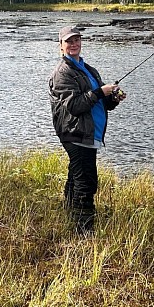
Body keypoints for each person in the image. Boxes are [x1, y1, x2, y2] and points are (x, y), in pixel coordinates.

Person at [48, 25, 125, 233]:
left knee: (76, 175)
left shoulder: (88, 69)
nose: (73, 44)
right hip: (75, 134)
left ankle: (70, 213)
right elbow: (75, 106)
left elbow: (102, 103)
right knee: (86, 181)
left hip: (89, 134)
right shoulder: (62, 72)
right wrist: (100, 92)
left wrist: (113, 98)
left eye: (76, 40)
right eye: (69, 41)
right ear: (61, 46)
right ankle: (84, 229)